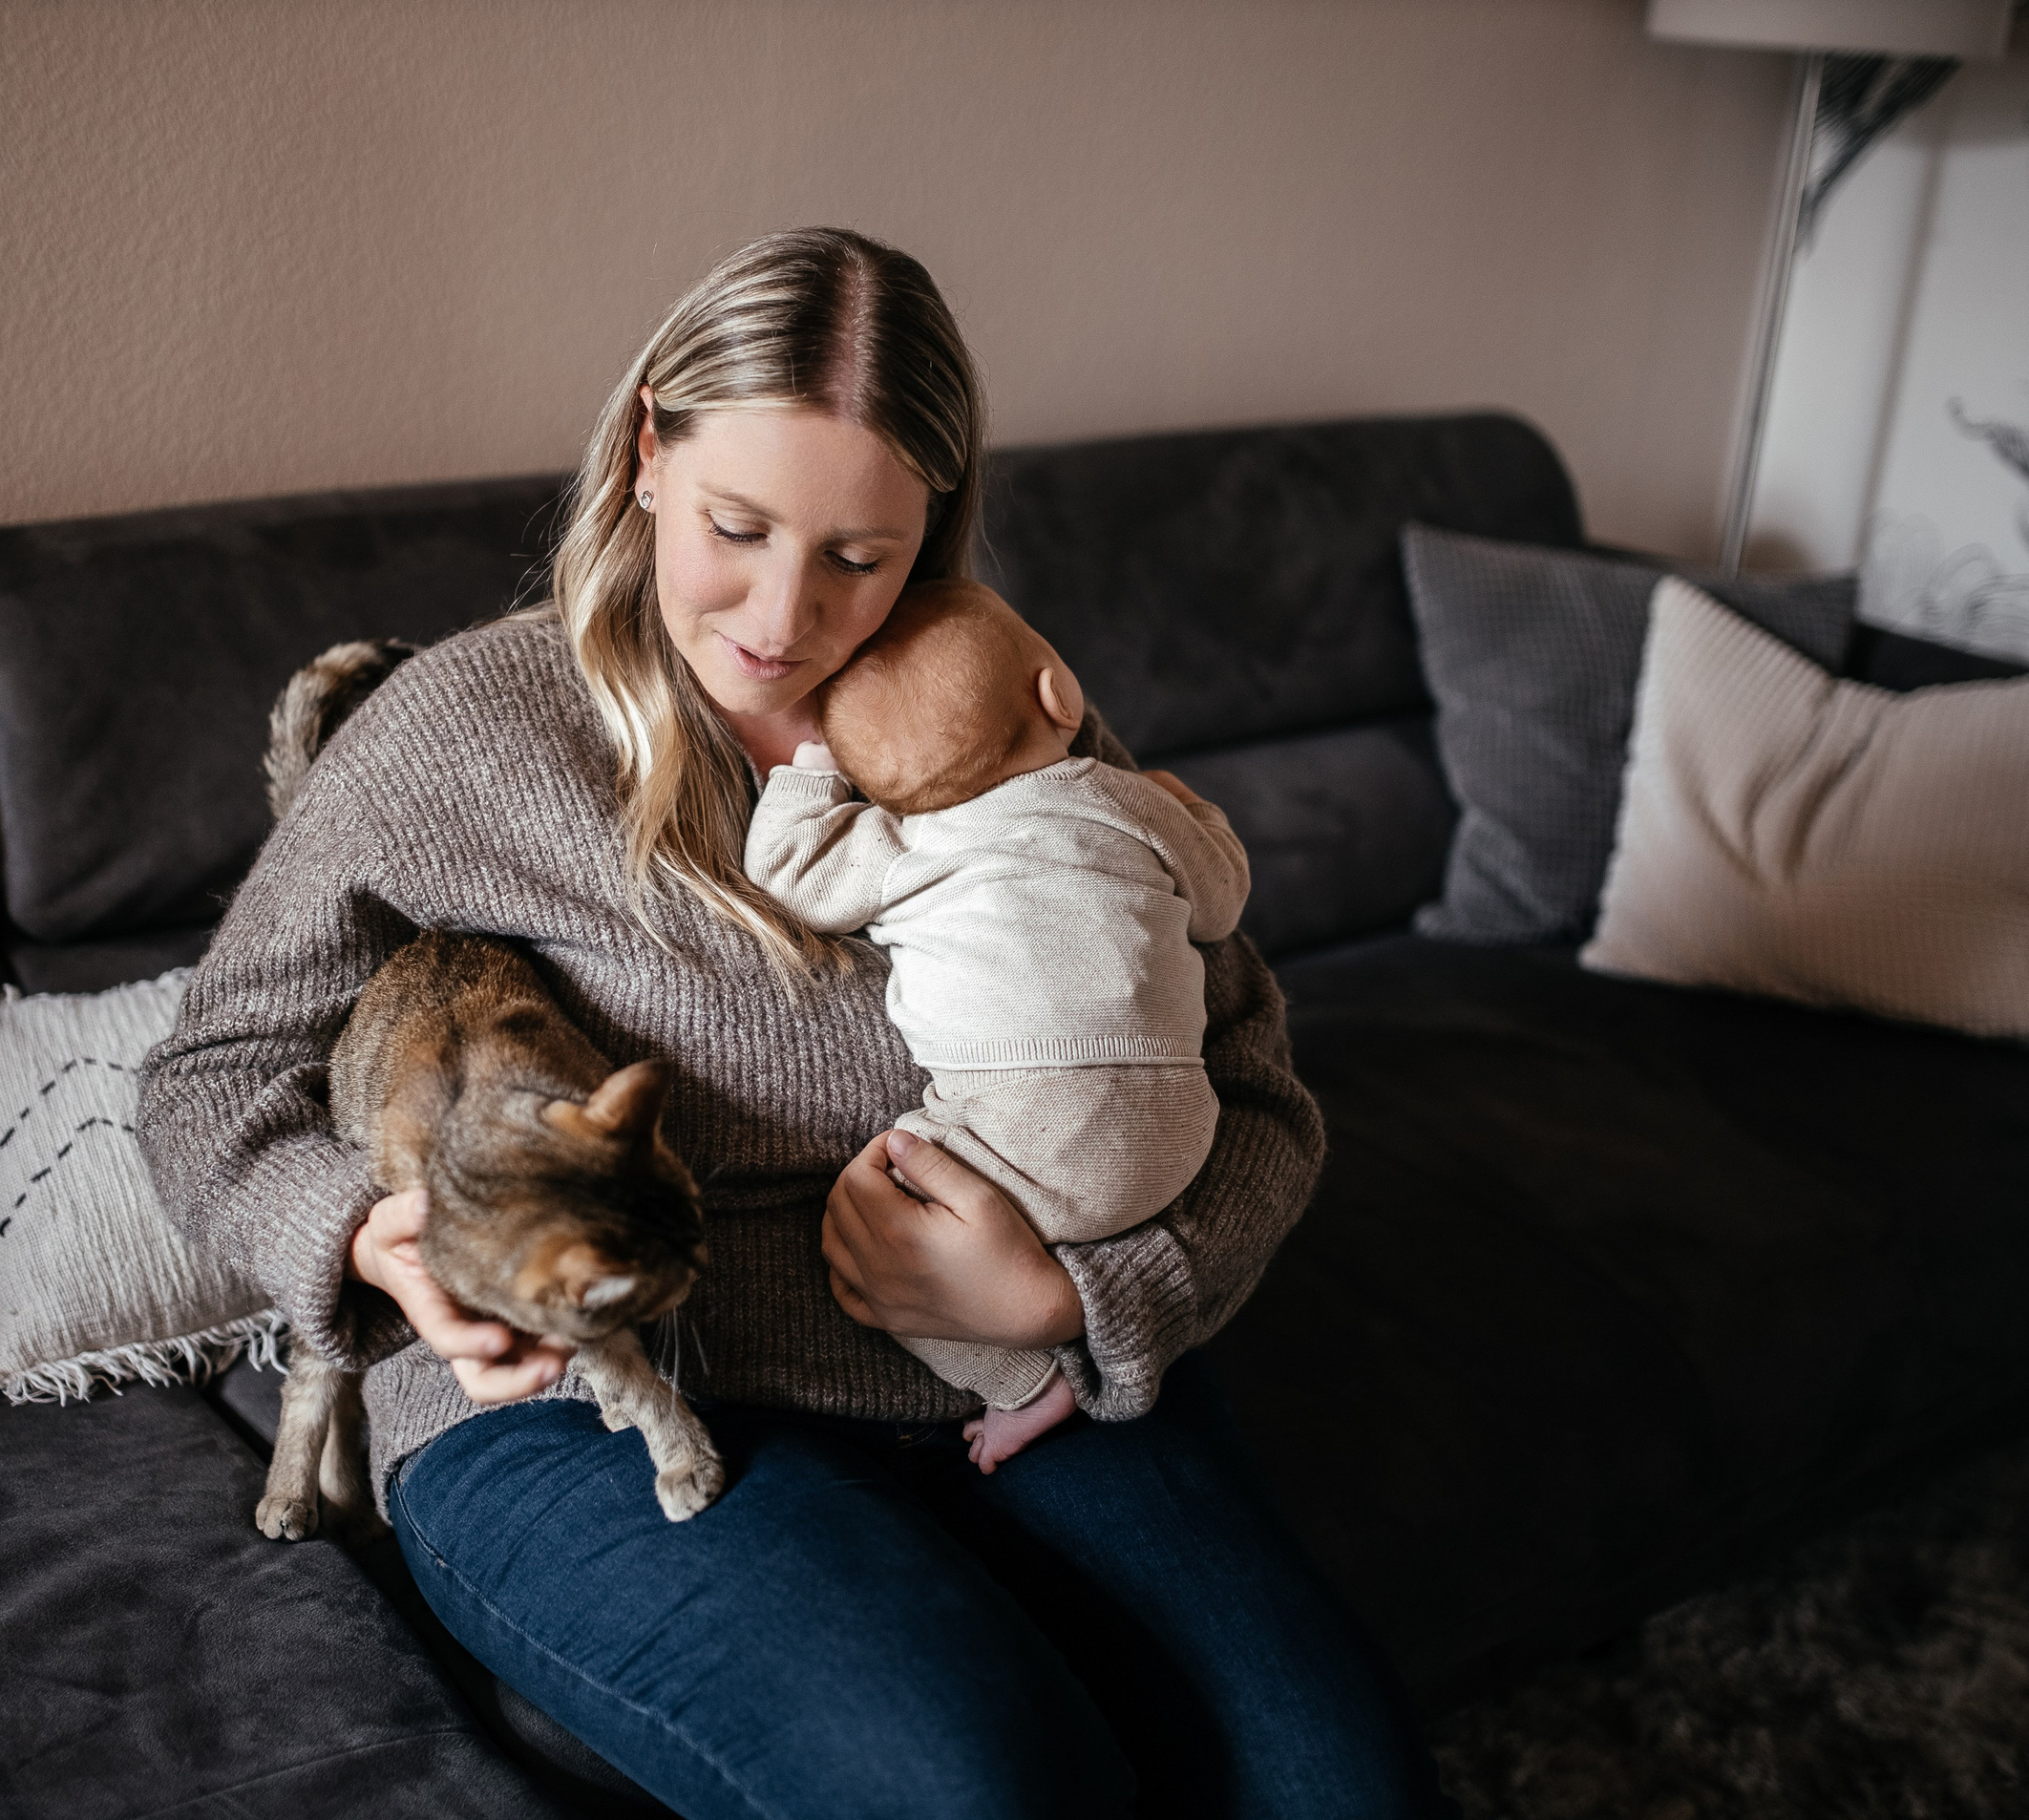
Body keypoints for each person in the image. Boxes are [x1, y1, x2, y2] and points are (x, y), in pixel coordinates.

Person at [140, 226, 1454, 1819]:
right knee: (978, 1789)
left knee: (1341, 1786)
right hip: (605, 1405)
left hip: (1007, 1366)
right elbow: (211, 1074)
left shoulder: (1001, 704)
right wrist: (369, 1235)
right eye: (736, 528)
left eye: (858, 558)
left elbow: (1257, 1090)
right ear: (646, 454)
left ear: (933, 535)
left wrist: (1083, 1293)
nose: (779, 618)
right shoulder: (464, 731)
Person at [743, 579, 1252, 1471]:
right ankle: (1079, 1324)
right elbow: (1220, 905)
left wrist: (811, 772)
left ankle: (1020, 1385)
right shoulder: (1126, 801)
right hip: (1183, 1134)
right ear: (1058, 695)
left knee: (879, 1228)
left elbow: (788, 875)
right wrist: (1193, 814)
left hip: (1021, 1142)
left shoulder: (908, 846)